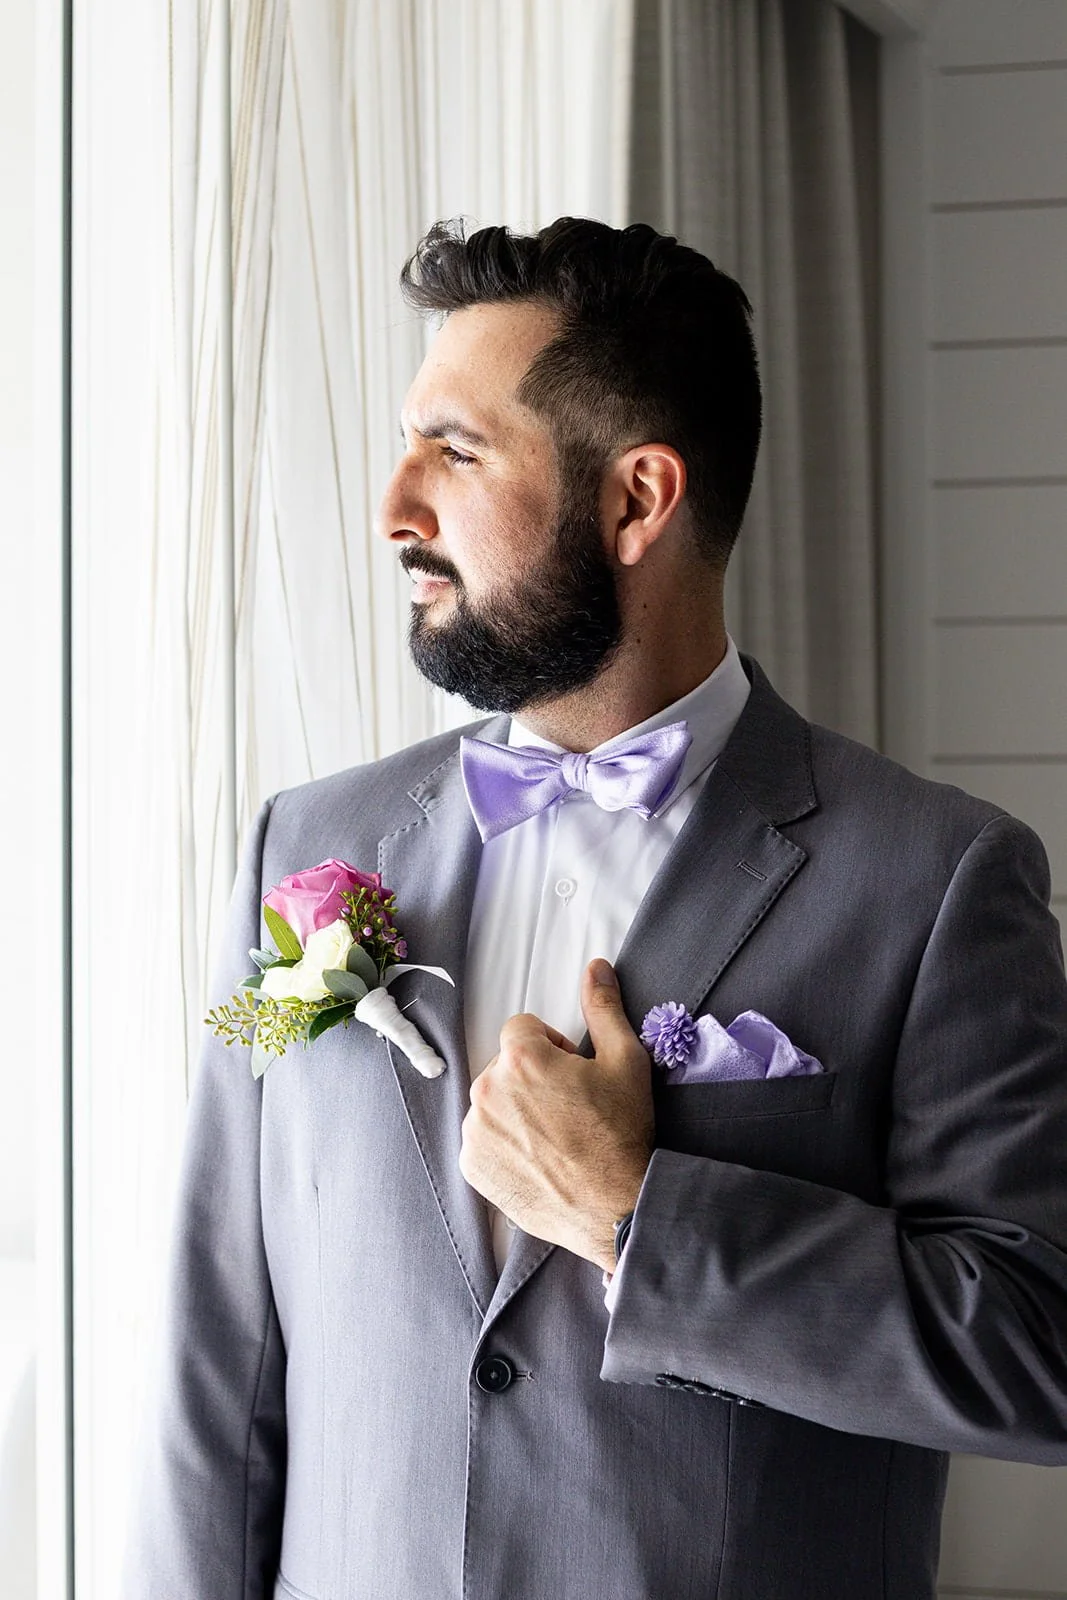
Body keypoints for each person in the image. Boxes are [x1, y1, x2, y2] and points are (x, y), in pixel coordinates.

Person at [124, 217, 1067, 1600]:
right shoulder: (306, 849)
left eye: (453, 449)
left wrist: (642, 1219)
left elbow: (1035, 1349)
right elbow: (222, 1350)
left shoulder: (933, 880)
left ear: (636, 501)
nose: (395, 505)